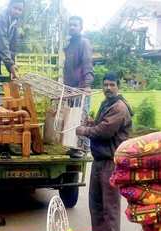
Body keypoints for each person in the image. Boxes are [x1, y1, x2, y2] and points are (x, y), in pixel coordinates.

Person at [76, 72, 133, 231]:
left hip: (111, 160)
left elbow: (105, 130)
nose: (108, 88)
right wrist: (92, 122)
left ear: (118, 86)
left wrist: (84, 130)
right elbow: (101, 125)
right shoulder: (106, 103)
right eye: (105, 85)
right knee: (96, 199)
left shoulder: (119, 107)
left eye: (112, 85)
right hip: (99, 158)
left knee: (110, 200)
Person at [63, 15, 94, 155]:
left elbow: (87, 63)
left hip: (81, 86)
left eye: (75, 25)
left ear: (81, 27)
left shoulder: (84, 43)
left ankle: (84, 148)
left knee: (82, 117)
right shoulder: (69, 45)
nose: (72, 27)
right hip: (70, 88)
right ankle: (74, 147)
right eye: (70, 25)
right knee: (72, 117)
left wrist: (87, 84)